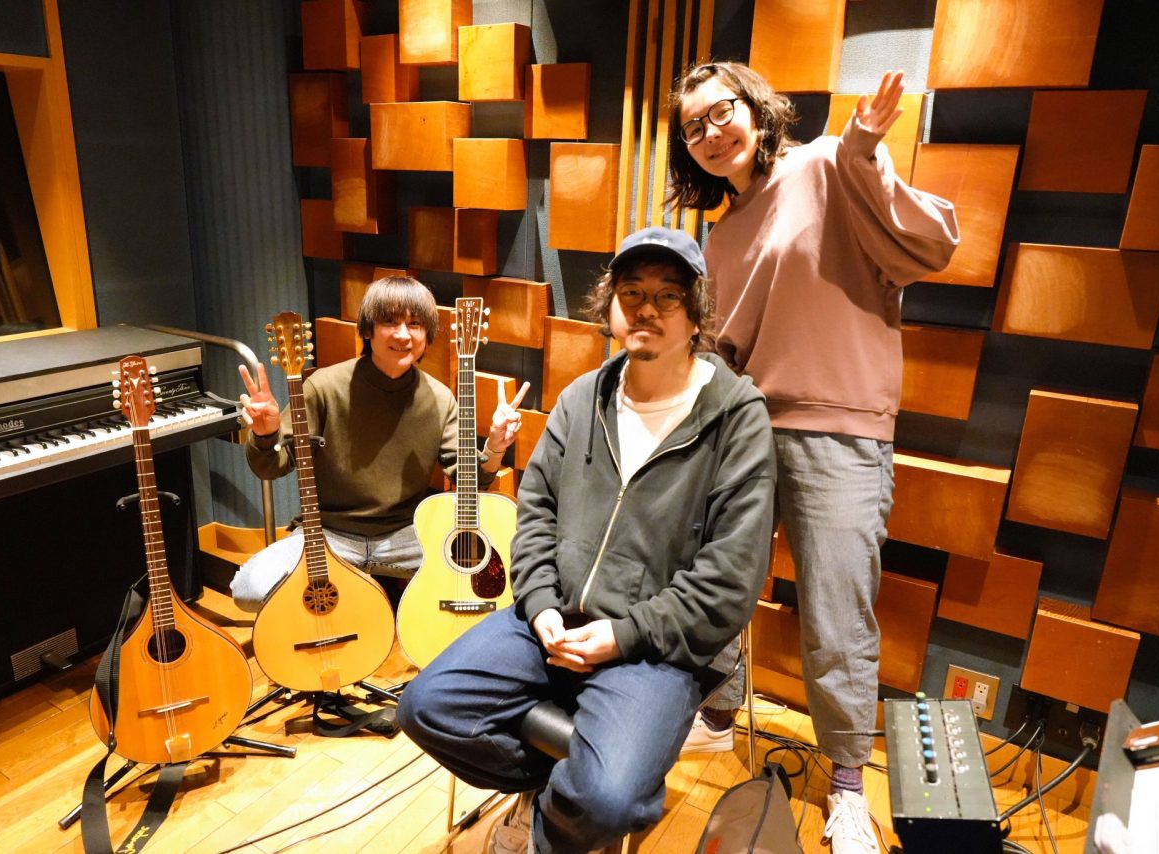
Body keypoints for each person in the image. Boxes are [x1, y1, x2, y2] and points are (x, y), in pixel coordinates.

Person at [397, 228, 777, 853]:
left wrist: (624, 635)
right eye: (631, 293)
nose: (647, 309)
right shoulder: (582, 398)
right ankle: (555, 790)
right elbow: (536, 511)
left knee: (611, 800)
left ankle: (554, 826)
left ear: (696, 315)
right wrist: (541, 603)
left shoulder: (737, 419)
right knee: (426, 707)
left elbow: (731, 577)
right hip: (551, 623)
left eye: (668, 295)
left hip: (654, 649)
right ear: (610, 308)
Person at [668, 63, 959, 853]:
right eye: (693, 127)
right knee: (717, 584)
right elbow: (723, 351)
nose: (710, 133)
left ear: (755, 108)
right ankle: (718, 714)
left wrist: (864, 148)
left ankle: (847, 788)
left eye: (721, 112)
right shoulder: (719, 236)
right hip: (746, 431)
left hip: (840, 432)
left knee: (836, 617)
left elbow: (932, 243)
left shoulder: (829, 163)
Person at [230, 275, 528, 610]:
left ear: (427, 335)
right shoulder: (323, 387)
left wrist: (495, 447)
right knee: (250, 589)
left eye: (414, 324)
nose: (403, 335)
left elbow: (471, 479)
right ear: (368, 330)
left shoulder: (439, 398)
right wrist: (265, 434)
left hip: (408, 536)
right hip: (331, 534)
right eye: (390, 322)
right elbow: (271, 467)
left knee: (506, 572)